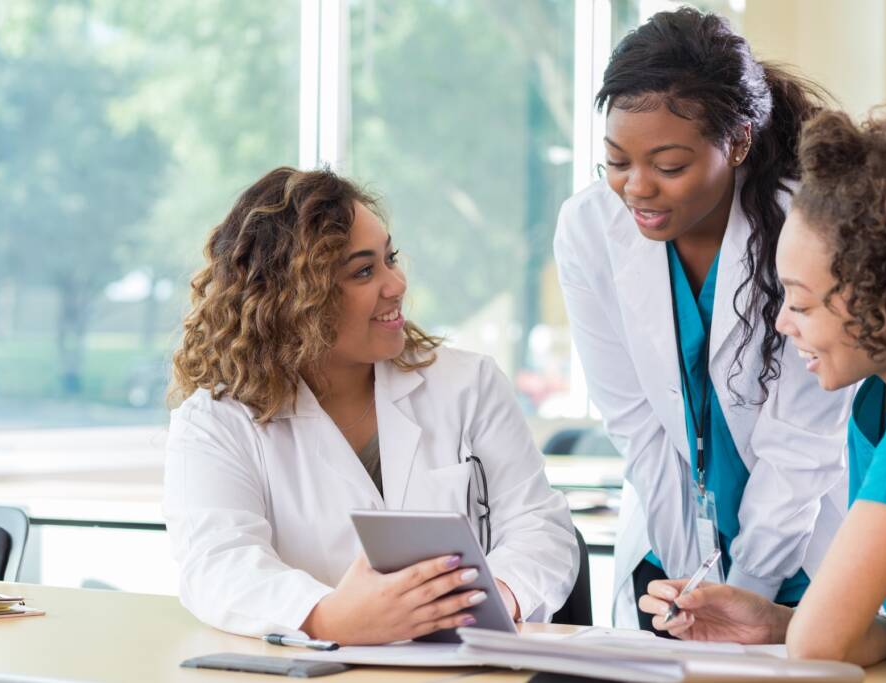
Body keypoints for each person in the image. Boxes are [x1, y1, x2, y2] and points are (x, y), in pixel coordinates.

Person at [639, 111, 886, 669]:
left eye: (801, 301)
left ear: (885, 298)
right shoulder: (879, 398)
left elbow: (821, 645)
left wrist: (807, 630)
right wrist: (774, 623)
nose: (782, 323)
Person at [164, 167, 578, 644]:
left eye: (390, 258)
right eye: (364, 271)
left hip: (468, 663)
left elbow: (540, 525)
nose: (396, 283)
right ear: (291, 299)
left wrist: (496, 595)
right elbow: (216, 563)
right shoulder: (217, 419)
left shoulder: (469, 384)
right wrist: (326, 617)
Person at [553, 7, 853, 630]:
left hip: (798, 555)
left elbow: (800, 447)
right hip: (669, 560)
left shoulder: (810, 228)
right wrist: (695, 588)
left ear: (738, 142)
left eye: (668, 166)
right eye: (616, 161)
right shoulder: (589, 231)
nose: (637, 189)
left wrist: (739, 596)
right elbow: (638, 426)